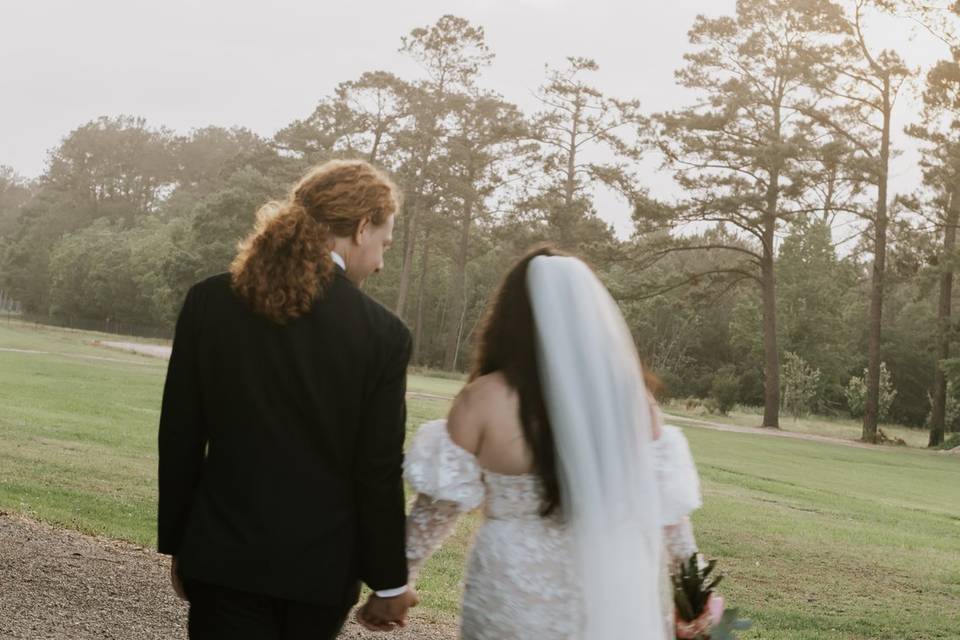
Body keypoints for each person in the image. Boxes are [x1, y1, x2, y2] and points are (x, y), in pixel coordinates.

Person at [157, 159, 418, 639]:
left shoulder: (209, 302)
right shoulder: (383, 335)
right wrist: (388, 580)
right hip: (318, 573)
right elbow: (376, 470)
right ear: (361, 228)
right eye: (384, 244)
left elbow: (180, 435)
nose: (381, 262)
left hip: (220, 557)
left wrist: (180, 543)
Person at [402, 245, 702, 639]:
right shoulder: (631, 402)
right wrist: (695, 602)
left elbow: (435, 514)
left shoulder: (484, 399)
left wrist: (396, 582)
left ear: (509, 319)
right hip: (604, 586)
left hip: (509, 591)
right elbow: (670, 520)